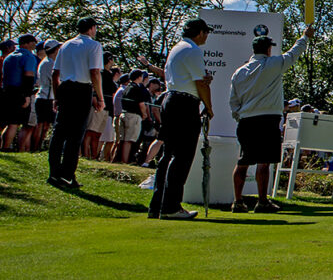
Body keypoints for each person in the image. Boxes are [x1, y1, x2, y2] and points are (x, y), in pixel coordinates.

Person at [228, 26, 313, 213]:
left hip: (246, 121)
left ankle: (238, 201)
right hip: (267, 120)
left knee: (243, 161)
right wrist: (305, 37)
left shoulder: (239, 72)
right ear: (268, 49)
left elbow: (233, 101)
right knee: (263, 162)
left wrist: (239, 116)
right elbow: (293, 54)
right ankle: (262, 201)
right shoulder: (273, 64)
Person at [148, 18, 214, 221]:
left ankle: (158, 205)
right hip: (184, 104)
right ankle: (171, 206)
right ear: (201, 32)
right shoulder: (193, 50)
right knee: (182, 156)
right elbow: (201, 84)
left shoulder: (177, 48)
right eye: (206, 33)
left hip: (171, 100)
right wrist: (209, 108)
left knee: (169, 155)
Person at [49, 18, 105, 188]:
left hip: (65, 87)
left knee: (59, 132)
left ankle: (54, 172)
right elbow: (95, 72)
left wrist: (57, 96)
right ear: (91, 28)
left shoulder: (65, 45)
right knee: (75, 134)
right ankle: (67, 174)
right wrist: (100, 96)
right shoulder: (93, 45)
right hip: (81, 89)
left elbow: (55, 73)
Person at [0, 34, 38, 150]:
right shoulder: (28, 56)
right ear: (28, 43)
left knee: (1, 123)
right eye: (33, 42)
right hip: (19, 91)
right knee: (14, 123)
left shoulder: (9, 57)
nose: (35, 44)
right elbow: (28, 76)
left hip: (5, 91)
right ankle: (6, 147)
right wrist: (27, 95)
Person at [26, 39, 62, 152]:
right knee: (41, 125)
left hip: (44, 96)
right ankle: (36, 147)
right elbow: (54, 80)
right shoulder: (50, 63)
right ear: (55, 49)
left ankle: (38, 147)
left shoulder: (45, 61)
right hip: (46, 98)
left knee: (44, 126)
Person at [114, 70, 149, 165]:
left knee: (121, 139)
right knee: (128, 140)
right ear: (138, 77)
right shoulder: (137, 89)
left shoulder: (126, 87)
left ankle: (116, 158)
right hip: (133, 115)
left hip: (124, 114)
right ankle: (124, 161)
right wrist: (144, 114)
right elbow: (141, 104)